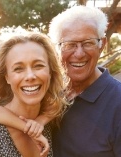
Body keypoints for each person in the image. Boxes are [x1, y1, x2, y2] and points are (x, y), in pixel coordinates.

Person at [48, 5, 121, 156]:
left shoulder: (118, 103)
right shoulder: (48, 95)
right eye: (70, 44)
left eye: (88, 43)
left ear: (102, 45)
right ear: (57, 49)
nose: (79, 53)